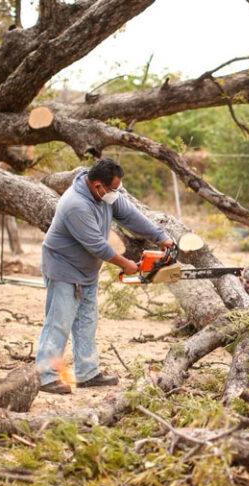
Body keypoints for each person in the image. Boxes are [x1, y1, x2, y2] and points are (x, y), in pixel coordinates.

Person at [36, 158, 173, 394]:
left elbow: (131, 216)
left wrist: (161, 236)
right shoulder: (75, 205)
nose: (115, 194)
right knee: (59, 322)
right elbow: (97, 245)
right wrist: (126, 264)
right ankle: (46, 376)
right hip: (63, 266)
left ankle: (87, 373)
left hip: (87, 270)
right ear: (98, 185)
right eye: (112, 189)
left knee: (87, 321)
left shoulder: (105, 195)